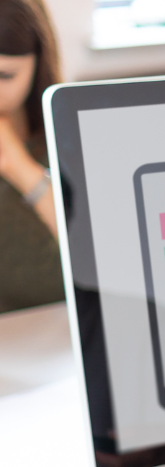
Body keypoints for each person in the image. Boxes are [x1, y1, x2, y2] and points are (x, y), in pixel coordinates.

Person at [0, 0, 64, 313]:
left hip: (60, 325)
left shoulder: (65, 134)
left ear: (38, 62)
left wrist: (22, 171)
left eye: (5, 75)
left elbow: (97, 257)